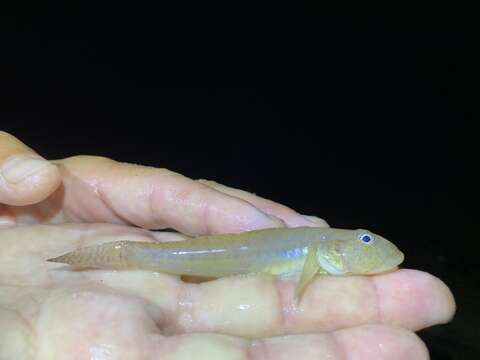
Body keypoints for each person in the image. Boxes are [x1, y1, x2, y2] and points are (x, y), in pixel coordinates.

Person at [0, 130, 455, 359]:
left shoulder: (320, 246)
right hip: (192, 255)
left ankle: (94, 257)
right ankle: (87, 258)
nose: (365, 242)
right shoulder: (319, 246)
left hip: (201, 257)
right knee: (154, 255)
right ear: (337, 249)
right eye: (363, 239)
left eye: (365, 239)